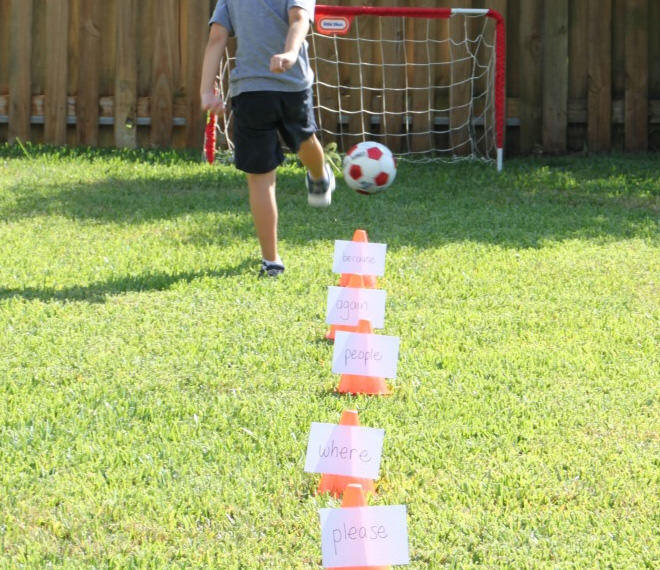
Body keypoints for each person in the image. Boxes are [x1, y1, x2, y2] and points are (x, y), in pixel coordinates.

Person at [200, 0, 335, 278]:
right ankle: (272, 258)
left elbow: (299, 20)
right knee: (276, 162)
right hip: (267, 88)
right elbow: (217, 37)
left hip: (272, 87)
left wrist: (289, 53)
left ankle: (319, 178)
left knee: (284, 156)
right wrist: (289, 53)